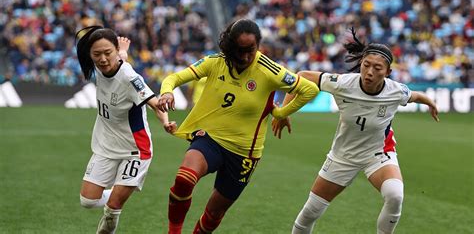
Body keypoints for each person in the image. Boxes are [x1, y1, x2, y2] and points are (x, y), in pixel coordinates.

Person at [157, 19, 319, 234]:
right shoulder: (215, 62)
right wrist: (167, 91)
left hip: (244, 153)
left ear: (258, 45)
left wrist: (280, 112)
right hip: (211, 139)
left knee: (214, 213)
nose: (244, 57)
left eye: (250, 50)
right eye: (239, 50)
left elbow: (309, 90)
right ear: (229, 46)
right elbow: (174, 78)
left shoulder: (269, 70)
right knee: (184, 178)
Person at [272, 28, 440, 234]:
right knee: (311, 212)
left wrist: (430, 102)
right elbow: (302, 76)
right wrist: (284, 111)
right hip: (343, 156)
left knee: (395, 195)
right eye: (366, 65)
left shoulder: (396, 90)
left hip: (377, 154)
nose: (369, 72)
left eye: (377, 68)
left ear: (387, 72)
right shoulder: (343, 83)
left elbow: (414, 95)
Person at [75, 26, 176, 234]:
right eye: (97, 54)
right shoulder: (103, 66)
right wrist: (121, 52)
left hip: (135, 151)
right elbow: (118, 58)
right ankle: (118, 191)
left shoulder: (130, 78)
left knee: (112, 210)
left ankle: (117, 200)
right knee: (87, 200)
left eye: (107, 53)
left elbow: (155, 103)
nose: (103, 59)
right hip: (106, 146)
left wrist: (166, 122)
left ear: (114, 51)